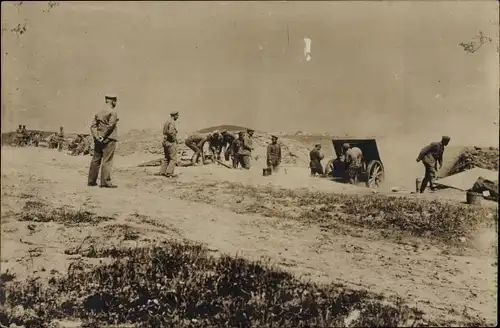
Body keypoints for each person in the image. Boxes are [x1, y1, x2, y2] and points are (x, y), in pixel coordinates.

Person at [88, 94, 119, 188]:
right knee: (107, 161)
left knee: (95, 160)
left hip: (98, 140)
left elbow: (93, 126)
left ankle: (91, 181)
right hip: (108, 139)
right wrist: (103, 136)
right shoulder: (113, 112)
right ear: (113, 102)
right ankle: (105, 182)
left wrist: (97, 137)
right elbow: (111, 126)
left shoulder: (98, 112)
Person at [158, 111, 179, 177]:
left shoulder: (166, 122)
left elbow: (165, 132)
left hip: (165, 141)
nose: (178, 117)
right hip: (170, 142)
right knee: (173, 158)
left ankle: (162, 172)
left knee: (166, 157)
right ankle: (169, 173)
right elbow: (171, 132)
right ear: (174, 115)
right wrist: (174, 139)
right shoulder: (172, 122)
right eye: (177, 115)